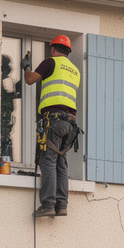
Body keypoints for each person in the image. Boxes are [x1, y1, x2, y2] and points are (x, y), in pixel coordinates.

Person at [22, 34, 80, 218]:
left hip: (53, 120)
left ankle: (48, 204)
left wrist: (27, 67)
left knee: (48, 160)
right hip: (70, 124)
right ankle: (62, 204)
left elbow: (30, 80)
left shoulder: (50, 62)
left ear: (53, 49)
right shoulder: (75, 70)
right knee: (61, 163)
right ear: (68, 51)